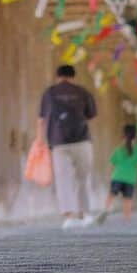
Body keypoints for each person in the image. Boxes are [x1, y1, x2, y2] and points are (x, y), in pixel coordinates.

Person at [36, 64, 98, 229]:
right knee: (82, 178)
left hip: (59, 142)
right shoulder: (83, 92)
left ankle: (69, 217)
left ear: (58, 76)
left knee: (63, 179)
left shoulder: (49, 93)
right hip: (82, 141)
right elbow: (91, 115)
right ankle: (85, 214)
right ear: (73, 76)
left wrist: (40, 141)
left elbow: (41, 119)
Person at [100, 123, 137, 223]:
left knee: (111, 195)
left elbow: (112, 164)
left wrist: (109, 175)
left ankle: (105, 210)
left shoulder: (118, 150)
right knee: (127, 199)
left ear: (123, 136)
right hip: (130, 178)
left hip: (117, 176)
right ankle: (127, 218)